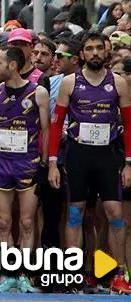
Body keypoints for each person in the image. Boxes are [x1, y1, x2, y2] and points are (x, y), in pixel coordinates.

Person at [49, 33, 131, 294]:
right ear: (81, 54)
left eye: (99, 48)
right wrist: (52, 162)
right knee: (75, 215)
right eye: (89, 49)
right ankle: (75, 274)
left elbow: (129, 126)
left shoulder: (118, 83)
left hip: (107, 157)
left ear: (106, 52)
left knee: (115, 216)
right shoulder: (70, 83)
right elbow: (55, 124)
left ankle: (117, 274)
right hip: (77, 156)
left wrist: (129, 163)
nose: (94, 53)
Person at [0, 46, 50, 293]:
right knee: (3, 221)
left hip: (28, 164)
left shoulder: (38, 93)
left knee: (28, 222)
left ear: (12, 65)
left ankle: (24, 274)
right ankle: (8, 272)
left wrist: (44, 163)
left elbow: (46, 131)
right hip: (1, 162)